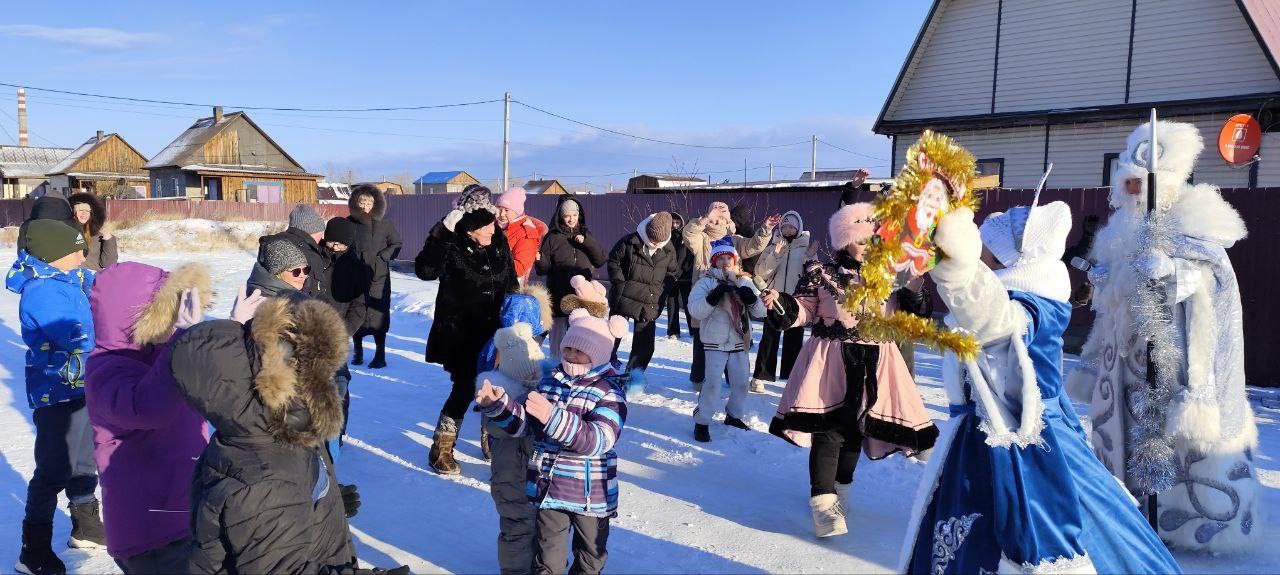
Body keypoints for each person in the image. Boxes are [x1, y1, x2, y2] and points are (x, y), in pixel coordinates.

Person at [899, 203, 1182, 574]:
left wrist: (961, 273)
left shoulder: (1029, 303)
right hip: (983, 440)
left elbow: (999, 329)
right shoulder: (1014, 294)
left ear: (1008, 258)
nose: (979, 252)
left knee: (1039, 539)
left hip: (1025, 448)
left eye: (984, 247)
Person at [1067, 121, 1260, 553]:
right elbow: (1119, 284)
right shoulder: (1121, 228)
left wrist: (1174, 273)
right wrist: (1107, 278)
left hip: (1173, 356)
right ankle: (1125, 512)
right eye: (1128, 183)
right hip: (1126, 359)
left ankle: (1183, 525)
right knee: (1125, 434)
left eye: (1141, 183)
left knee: (1173, 441)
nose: (1133, 192)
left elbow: (1213, 281)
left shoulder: (1195, 220)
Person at [761, 203, 937, 539]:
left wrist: (915, 287)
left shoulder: (890, 276)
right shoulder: (822, 274)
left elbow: (913, 318)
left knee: (857, 431)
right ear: (844, 241)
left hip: (877, 364)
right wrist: (781, 303)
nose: (867, 246)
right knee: (828, 432)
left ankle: (841, 492)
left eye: (872, 239)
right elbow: (805, 309)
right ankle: (822, 504)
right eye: (859, 240)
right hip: (831, 363)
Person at [170, 294, 364, 574]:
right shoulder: (267, 479)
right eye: (318, 373)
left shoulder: (273, 430)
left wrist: (320, 501)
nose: (329, 386)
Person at [475, 308, 629, 575]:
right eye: (567, 348)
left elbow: (598, 440)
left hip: (592, 498)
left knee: (590, 558)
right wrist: (499, 406)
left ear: (599, 354)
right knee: (547, 561)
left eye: (579, 351)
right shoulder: (550, 382)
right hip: (550, 492)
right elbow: (526, 427)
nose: (570, 355)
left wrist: (552, 417)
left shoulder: (609, 392)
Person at [84, 262, 210, 574]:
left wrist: (232, 330)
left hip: (181, 512)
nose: (171, 318)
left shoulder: (157, 351)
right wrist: (183, 339)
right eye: (165, 309)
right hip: (151, 532)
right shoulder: (106, 370)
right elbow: (151, 408)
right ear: (134, 316)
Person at [7, 220, 104, 575]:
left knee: (83, 460)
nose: (83, 255)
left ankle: (86, 527)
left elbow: (96, 284)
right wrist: (106, 349)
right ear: (53, 255)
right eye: (76, 250)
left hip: (80, 385)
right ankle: (33, 551)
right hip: (55, 392)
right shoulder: (43, 291)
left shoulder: (66, 279)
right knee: (53, 469)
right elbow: (72, 335)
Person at [416, 185, 518, 475]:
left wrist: (516, 317)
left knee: (498, 386)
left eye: (491, 223)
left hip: (496, 333)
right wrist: (441, 234)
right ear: (470, 229)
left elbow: (510, 281)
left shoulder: (499, 240)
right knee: (464, 388)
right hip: (461, 334)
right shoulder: (452, 243)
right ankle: (441, 450)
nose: (491, 228)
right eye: (485, 225)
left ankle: (492, 441)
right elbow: (425, 271)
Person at [474, 287, 551, 574]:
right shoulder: (508, 364)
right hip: (511, 474)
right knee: (519, 528)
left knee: (532, 526)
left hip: (520, 473)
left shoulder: (503, 349)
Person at [682, 201, 775, 389]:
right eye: (715, 213)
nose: (719, 217)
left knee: (733, 333)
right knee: (703, 338)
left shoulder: (735, 239)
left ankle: (732, 377)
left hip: (731, 294)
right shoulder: (701, 237)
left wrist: (765, 229)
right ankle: (699, 378)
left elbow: (753, 246)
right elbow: (688, 234)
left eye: (723, 212)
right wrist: (705, 219)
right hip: (708, 292)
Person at [688, 239, 766, 442]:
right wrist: (712, 298)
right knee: (712, 385)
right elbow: (694, 310)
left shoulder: (744, 281)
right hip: (714, 342)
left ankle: (733, 416)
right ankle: (702, 422)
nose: (724, 263)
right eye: (720, 259)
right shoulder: (706, 282)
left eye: (728, 259)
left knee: (740, 384)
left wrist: (751, 299)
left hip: (739, 341)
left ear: (734, 260)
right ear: (714, 261)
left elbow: (762, 311)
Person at [535, 195, 607, 361]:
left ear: (579, 215)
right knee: (558, 340)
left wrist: (586, 242)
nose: (571, 219)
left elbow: (600, 260)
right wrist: (539, 259)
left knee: (581, 337)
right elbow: (543, 270)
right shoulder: (552, 237)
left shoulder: (586, 234)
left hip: (582, 296)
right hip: (559, 294)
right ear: (561, 216)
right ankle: (556, 368)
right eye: (567, 216)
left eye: (574, 215)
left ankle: (581, 367)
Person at [607, 212, 677, 377]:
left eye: (659, 240)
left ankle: (632, 377)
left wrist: (662, 291)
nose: (655, 242)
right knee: (611, 335)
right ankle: (605, 364)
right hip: (624, 296)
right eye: (652, 238)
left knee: (645, 346)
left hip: (650, 300)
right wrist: (620, 283)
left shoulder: (669, 250)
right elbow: (613, 261)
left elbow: (672, 274)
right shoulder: (630, 241)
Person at [751, 210, 812, 393]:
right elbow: (760, 273)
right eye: (784, 226)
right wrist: (776, 256)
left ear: (798, 228)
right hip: (774, 299)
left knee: (794, 342)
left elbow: (812, 275)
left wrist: (810, 259)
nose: (788, 229)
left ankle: (791, 379)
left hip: (796, 303)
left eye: (792, 226)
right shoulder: (772, 247)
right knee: (769, 340)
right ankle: (759, 377)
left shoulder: (805, 249)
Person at [347, 183, 403, 369]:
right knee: (356, 311)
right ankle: (358, 352)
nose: (364, 206)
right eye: (361, 202)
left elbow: (396, 243)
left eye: (368, 202)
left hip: (379, 277)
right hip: (355, 276)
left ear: (375, 203)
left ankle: (380, 355)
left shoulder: (384, 223)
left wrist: (383, 257)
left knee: (378, 316)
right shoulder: (349, 222)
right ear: (355, 203)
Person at [257, 204, 330, 300]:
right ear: (310, 230)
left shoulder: (274, 243)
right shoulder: (308, 252)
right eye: (319, 234)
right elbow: (312, 289)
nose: (321, 238)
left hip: (271, 303)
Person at [495, 186, 548, 286]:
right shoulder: (494, 228)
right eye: (499, 209)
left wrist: (490, 262)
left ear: (517, 211)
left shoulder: (526, 234)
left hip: (509, 290)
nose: (501, 214)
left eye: (507, 210)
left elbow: (519, 269)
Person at [662, 212, 694, 339]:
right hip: (670, 275)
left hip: (685, 276)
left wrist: (684, 270)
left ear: (682, 222)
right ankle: (673, 331)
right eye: (673, 223)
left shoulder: (686, 236)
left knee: (688, 303)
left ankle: (693, 330)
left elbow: (690, 256)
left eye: (677, 222)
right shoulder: (665, 237)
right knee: (671, 304)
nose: (675, 225)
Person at [67, 193, 117, 271]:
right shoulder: (65, 233)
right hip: (71, 280)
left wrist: (109, 241)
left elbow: (108, 264)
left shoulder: (98, 236)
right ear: (73, 212)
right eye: (80, 210)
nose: (84, 213)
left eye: (87, 211)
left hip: (93, 280)